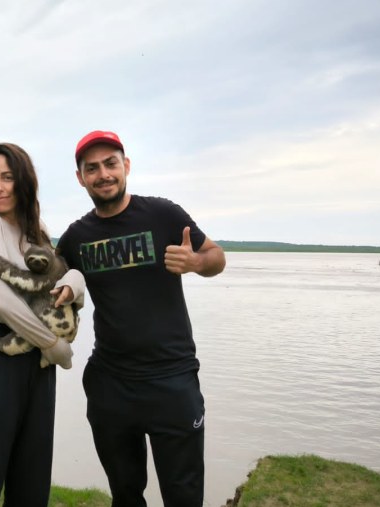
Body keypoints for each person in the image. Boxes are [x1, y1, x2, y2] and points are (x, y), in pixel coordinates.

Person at [57, 130, 226, 507]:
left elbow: (217, 256)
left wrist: (196, 262)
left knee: (183, 496)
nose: (103, 174)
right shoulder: (76, 237)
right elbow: (47, 279)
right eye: (92, 168)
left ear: (126, 166)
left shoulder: (163, 214)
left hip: (172, 381)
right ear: (80, 177)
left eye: (110, 164)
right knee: (125, 494)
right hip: (110, 385)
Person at [0, 142, 85, 507]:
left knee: (32, 478)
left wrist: (75, 283)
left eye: (7, 178)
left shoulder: (34, 228)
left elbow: (58, 277)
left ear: (23, 181)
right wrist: (52, 344)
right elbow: (1, 300)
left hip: (35, 361)